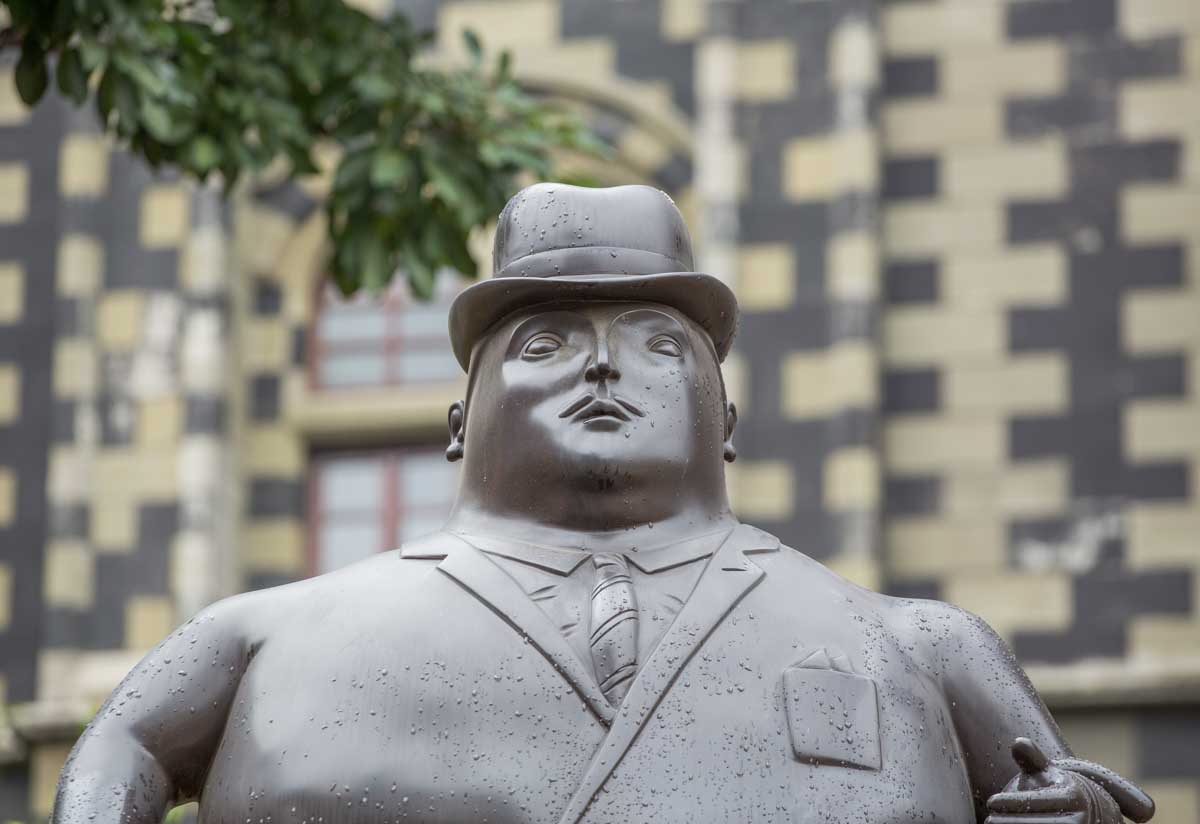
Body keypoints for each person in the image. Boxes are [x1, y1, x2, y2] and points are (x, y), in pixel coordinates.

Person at [54, 184, 1154, 824]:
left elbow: (1064, 792)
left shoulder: (920, 645)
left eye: (657, 345)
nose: (603, 369)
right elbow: (121, 749)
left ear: (725, 418)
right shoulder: (264, 634)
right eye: (545, 343)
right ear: (456, 421)